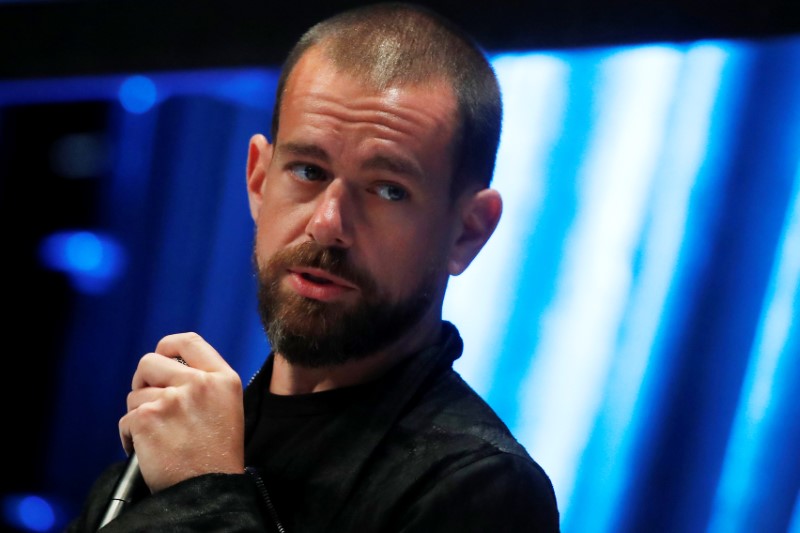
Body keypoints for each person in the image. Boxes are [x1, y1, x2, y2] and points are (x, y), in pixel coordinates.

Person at [66, 2, 560, 531]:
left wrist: (203, 497)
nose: (328, 224)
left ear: (468, 231)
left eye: (388, 190)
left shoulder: (483, 489)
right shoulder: (177, 438)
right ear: (258, 180)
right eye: (308, 170)